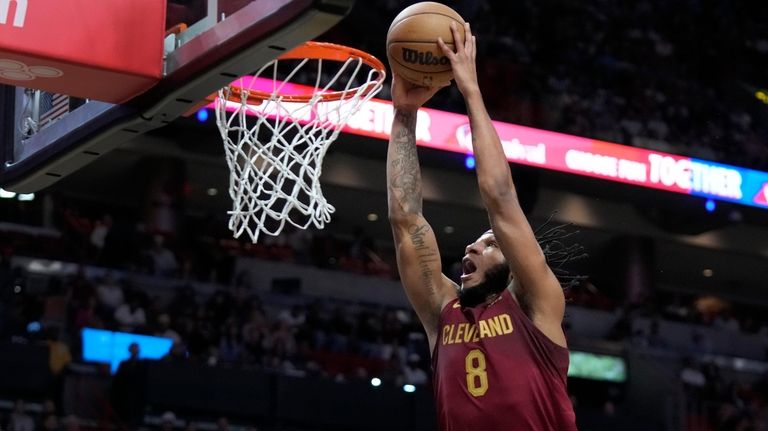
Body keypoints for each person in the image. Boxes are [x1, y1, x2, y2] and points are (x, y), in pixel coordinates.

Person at [386, 22, 577, 430]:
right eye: (475, 243)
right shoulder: (443, 312)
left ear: (515, 265)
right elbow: (406, 221)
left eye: (489, 244)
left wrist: (470, 90)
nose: (471, 249)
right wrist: (404, 114)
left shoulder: (534, 305)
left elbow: (499, 196)